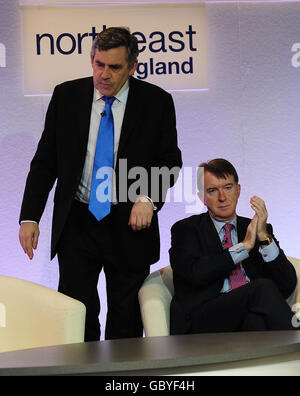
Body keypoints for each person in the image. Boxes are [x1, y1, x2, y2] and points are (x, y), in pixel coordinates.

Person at [19, 27, 182, 342]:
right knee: (77, 315)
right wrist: (30, 217)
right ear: (91, 59)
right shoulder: (66, 96)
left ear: (132, 67)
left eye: (115, 67)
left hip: (130, 224)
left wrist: (148, 198)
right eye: (98, 64)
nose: (103, 74)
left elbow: (169, 159)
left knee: (126, 320)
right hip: (77, 223)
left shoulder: (156, 102)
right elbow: (44, 162)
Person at [170, 158, 297, 335]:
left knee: (256, 321)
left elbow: (288, 283)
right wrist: (243, 248)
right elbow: (195, 273)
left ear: (238, 191)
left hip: (244, 313)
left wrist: (264, 237)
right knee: (262, 288)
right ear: (202, 198)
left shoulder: (256, 228)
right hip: (202, 318)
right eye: (213, 191)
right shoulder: (186, 229)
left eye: (228, 188)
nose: (222, 197)